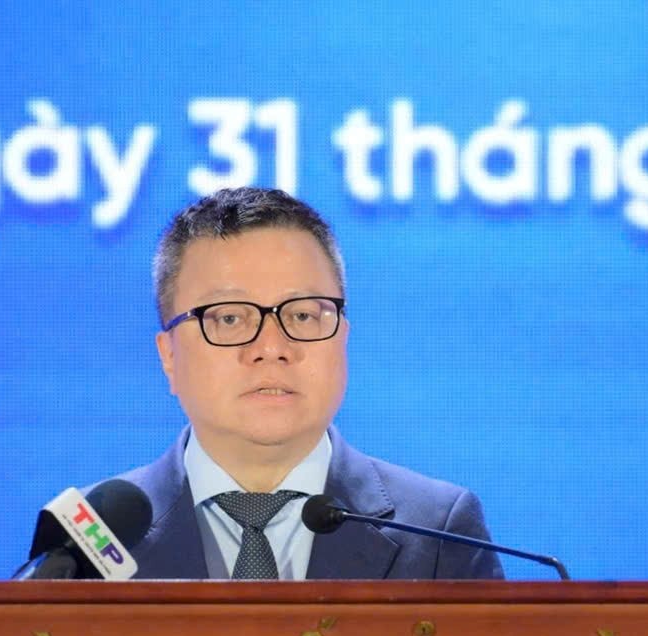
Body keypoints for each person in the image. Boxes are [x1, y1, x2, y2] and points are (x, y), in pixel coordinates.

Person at [75, 187, 503, 580]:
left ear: (342, 337)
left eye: (302, 315)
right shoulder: (87, 539)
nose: (271, 347)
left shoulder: (438, 533)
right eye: (229, 318)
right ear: (168, 355)